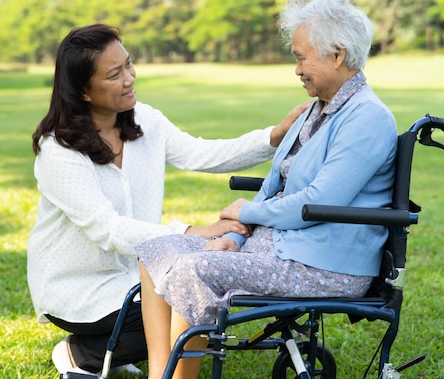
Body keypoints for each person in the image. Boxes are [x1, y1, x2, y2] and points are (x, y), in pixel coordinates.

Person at [136, 0, 398, 379]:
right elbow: (275, 184)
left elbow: (319, 200)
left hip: (323, 264)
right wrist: (237, 236)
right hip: (275, 247)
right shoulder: (314, 110)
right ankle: (161, 374)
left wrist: (248, 212)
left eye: (300, 58)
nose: (296, 69)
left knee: (192, 269)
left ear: (337, 54)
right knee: (156, 248)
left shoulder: (368, 118)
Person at [26, 23, 309, 376]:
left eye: (128, 65)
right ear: (83, 91)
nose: (129, 78)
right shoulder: (58, 150)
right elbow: (108, 230)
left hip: (136, 276)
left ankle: (119, 349)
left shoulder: (145, 120)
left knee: (199, 299)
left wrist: (273, 136)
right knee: (185, 307)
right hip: (77, 289)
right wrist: (194, 231)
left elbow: (203, 153)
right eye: (115, 74)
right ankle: (81, 351)